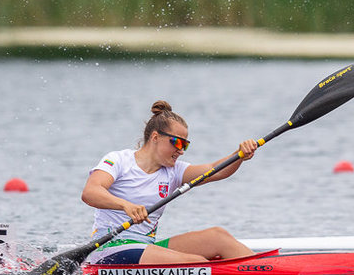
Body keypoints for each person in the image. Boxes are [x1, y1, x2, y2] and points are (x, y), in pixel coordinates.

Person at [81, 100, 258, 264]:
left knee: (218, 237)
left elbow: (215, 169)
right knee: (195, 262)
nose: (181, 151)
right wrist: (125, 205)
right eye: (177, 143)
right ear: (155, 137)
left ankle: (263, 267)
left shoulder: (174, 171)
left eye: (185, 145)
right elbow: (91, 192)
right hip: (110, 248)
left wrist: (240, 154)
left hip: (145, 246)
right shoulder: (119, 160)